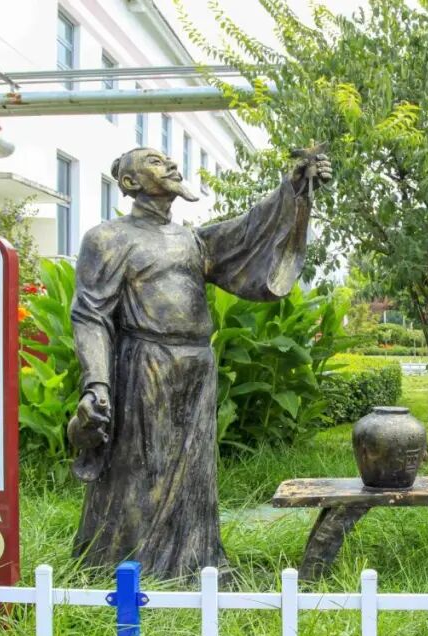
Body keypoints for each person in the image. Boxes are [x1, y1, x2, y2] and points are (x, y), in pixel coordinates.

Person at [67, 146, 332, 580]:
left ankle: (193, 562)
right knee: (141, 471)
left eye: (168, 159)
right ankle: (129, 569)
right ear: (130, 183)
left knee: (193, 475)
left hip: (196, 367)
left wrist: (294, 187)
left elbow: (248, 231)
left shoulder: (192, 241)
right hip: (145, 365)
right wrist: (97, 385)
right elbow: (90, 314)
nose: (171, 164)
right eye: (155, 161)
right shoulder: (107, 238)